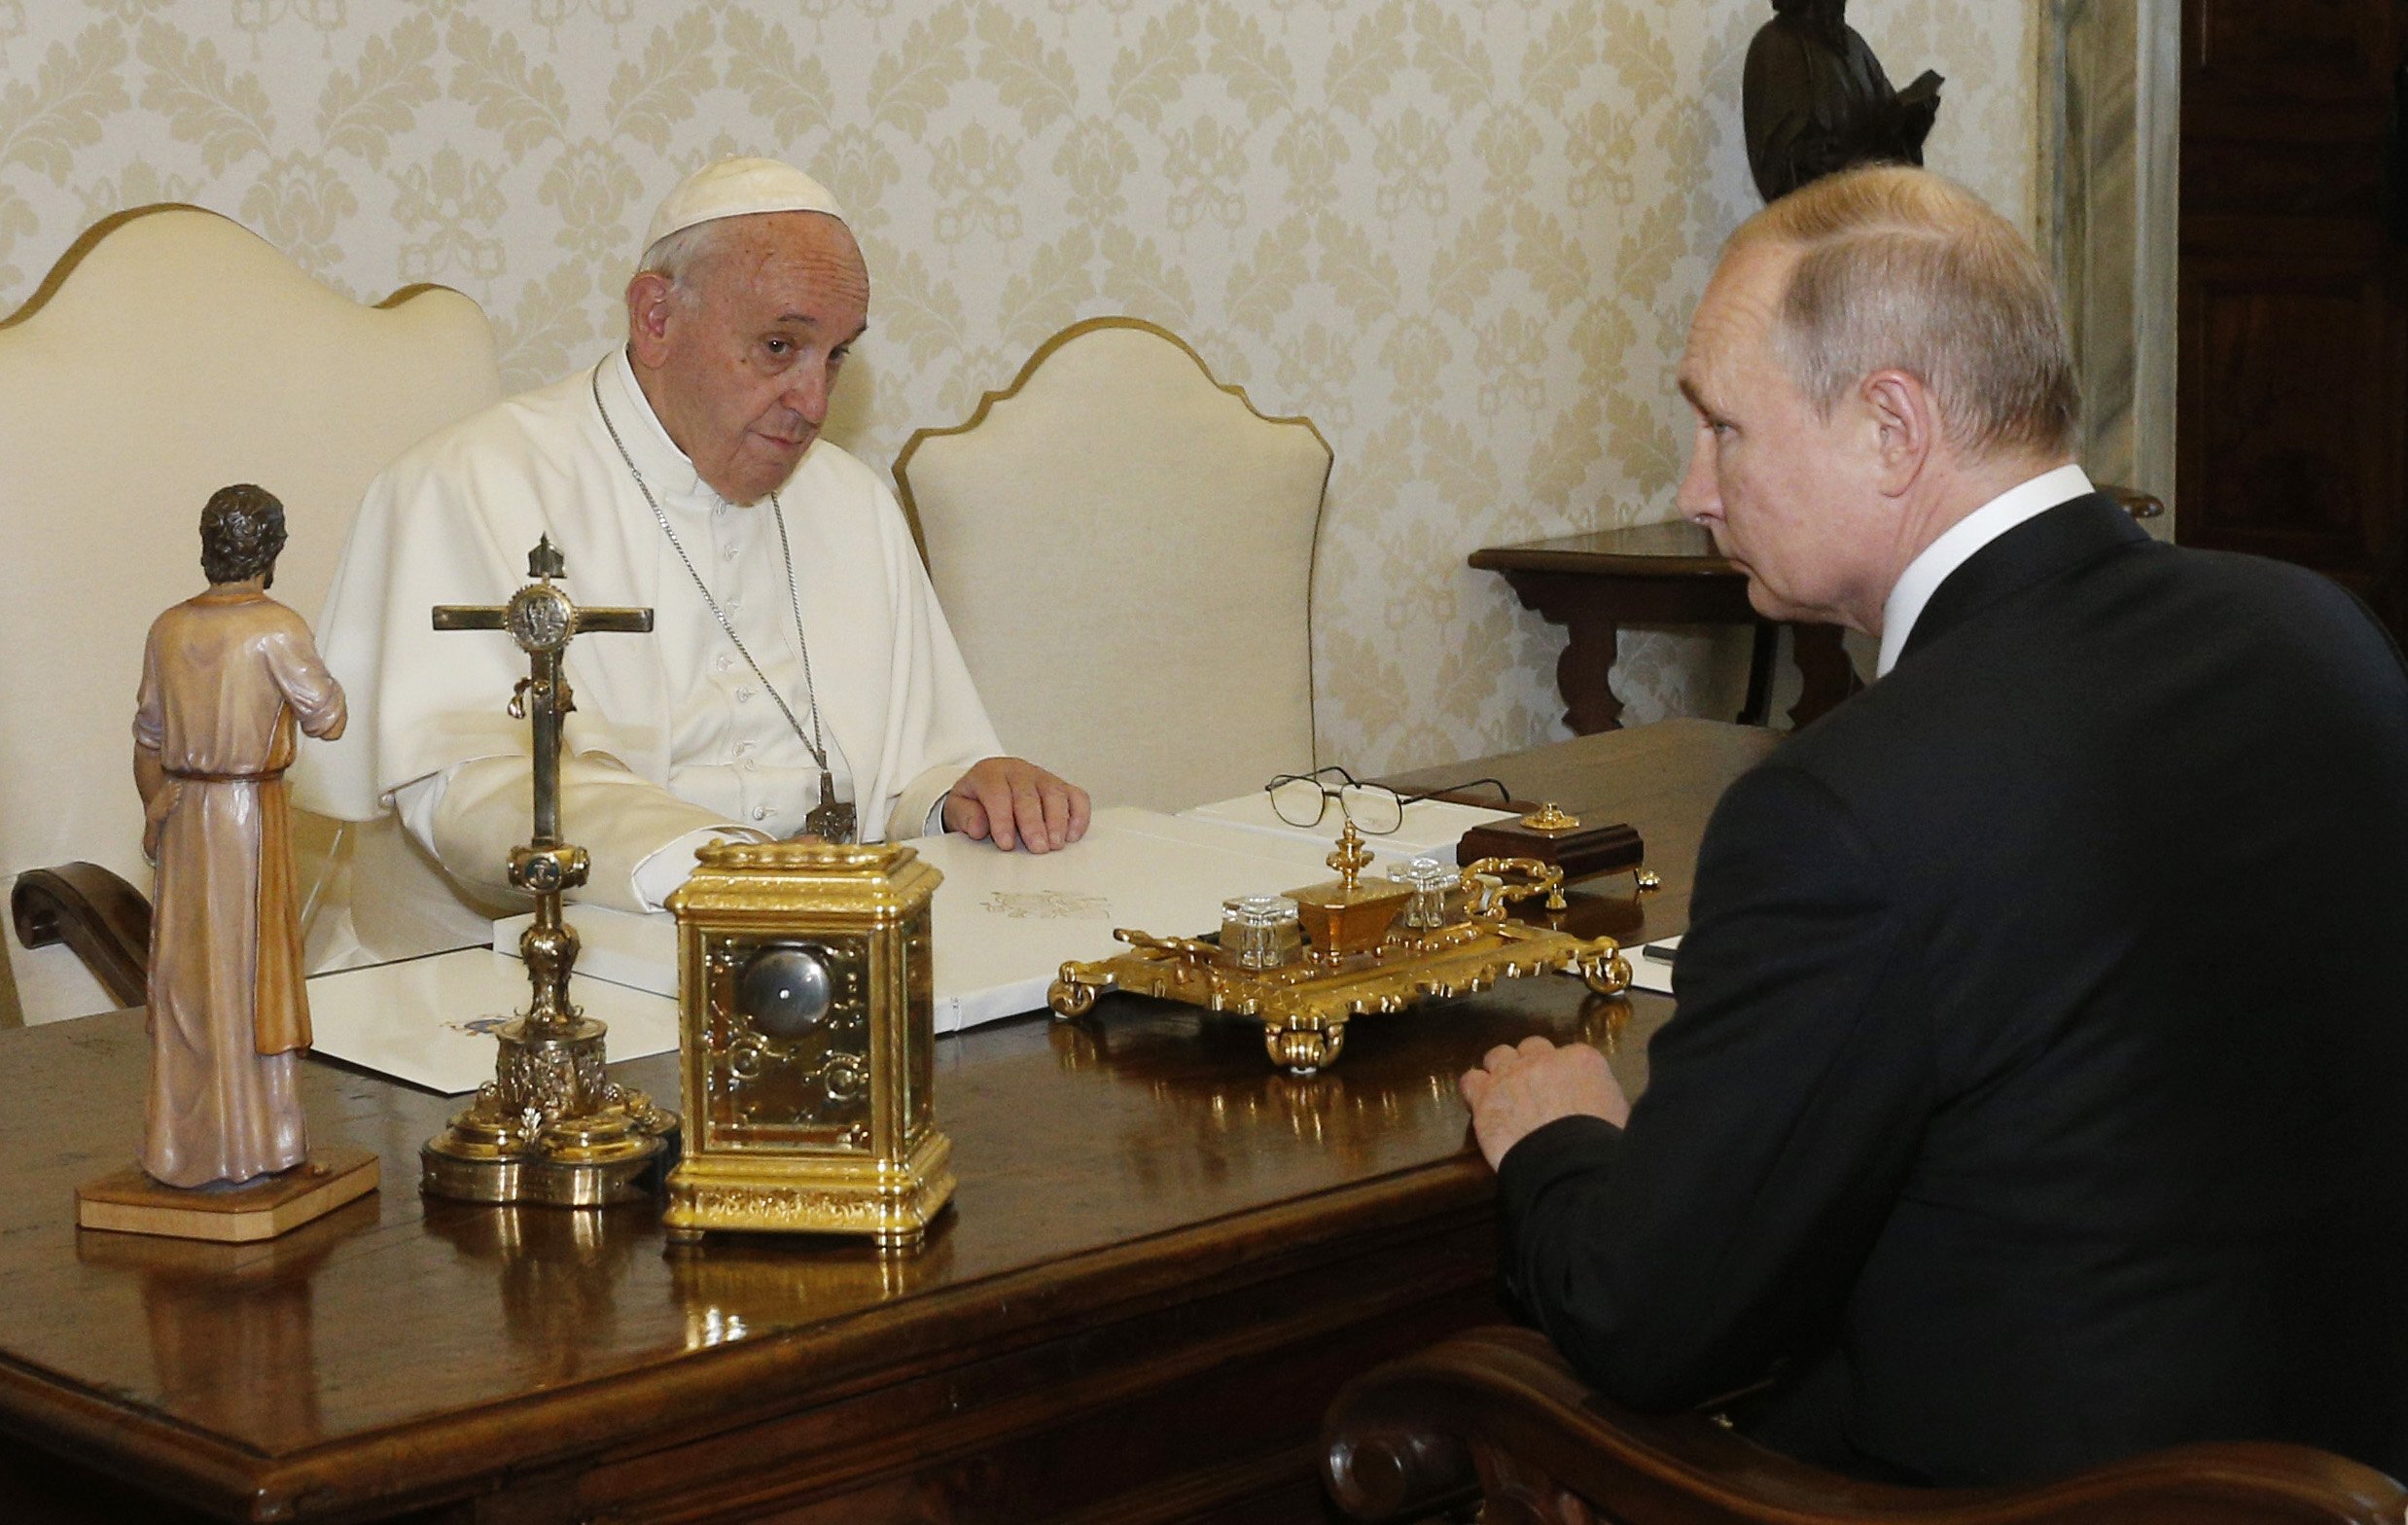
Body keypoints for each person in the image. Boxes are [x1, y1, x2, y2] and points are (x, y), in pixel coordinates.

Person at [1460, 165, 2408, 1487]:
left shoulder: (1843, 806)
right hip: (2344, 1466)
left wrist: (1564, 1140)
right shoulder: (2322, 633)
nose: (1695, 488)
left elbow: (1650, 1322)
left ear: (1893, 430)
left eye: (1724, 428)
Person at [298, 159, 1087, 936]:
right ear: (656, 319)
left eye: (836, 355)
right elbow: (472, 786)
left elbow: (902, 777)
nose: (813, 403)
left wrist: (963, 793)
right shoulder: (470, 484)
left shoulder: (851, 503)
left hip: (821, 961)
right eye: (780, 347)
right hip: (539, 984)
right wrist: (720, 871)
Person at [135, 484, 348, 1187]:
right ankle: (254, 1143)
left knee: (191, 982)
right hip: (246, 817)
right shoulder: (275, 628)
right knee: (242, 976)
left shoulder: (169, 628)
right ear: (271, 549)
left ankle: (186, 1147)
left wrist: (154, 808)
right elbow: (327, 716)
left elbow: (148, 736)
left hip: (183, 812)